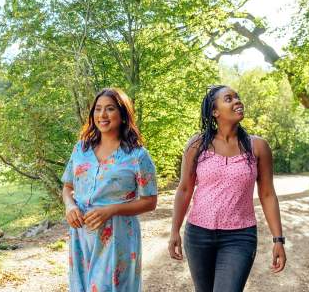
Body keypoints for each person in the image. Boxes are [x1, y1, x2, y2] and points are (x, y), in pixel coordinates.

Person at [168, 85, 287, 292]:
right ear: (215, 111)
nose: (237, 101)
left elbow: (267, 194)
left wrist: (278, 239)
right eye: (229, 99)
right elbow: (185, 189)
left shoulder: (257, 146)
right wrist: (174, 231)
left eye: (237, 97)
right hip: (198, 235)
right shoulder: (197, 144)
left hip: (240, 237)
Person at [61, 87, 158, 292]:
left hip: (117, 235)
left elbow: (150, 201)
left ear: (123, 115)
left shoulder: (138, 155)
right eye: (98, 109)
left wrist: (112, 209)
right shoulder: (81, 149)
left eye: (110, 109)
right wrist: (70, 206)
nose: (102, 115)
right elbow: (68, 186)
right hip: (81, 236)